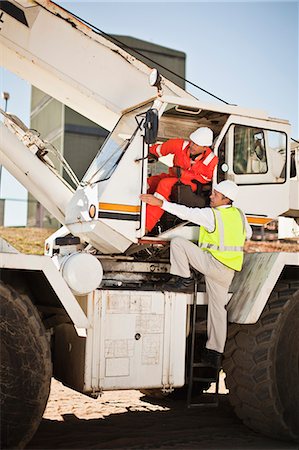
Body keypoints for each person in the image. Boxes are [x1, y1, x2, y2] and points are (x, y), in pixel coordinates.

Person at [140, 180, 252, 369]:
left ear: (225, 199)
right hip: (228, 270)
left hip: (212, 264)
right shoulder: (240, 215)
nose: (211, 196)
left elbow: (186, 212)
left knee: (178, 243)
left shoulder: (212, 215)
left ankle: (183, 278)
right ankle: (214, 352)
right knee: (218, 311)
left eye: (215, 195)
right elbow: (247, 234)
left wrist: (161, 203)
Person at [146, 127, 218, 233]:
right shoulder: (180, 145)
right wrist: (148, 153)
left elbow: (205, 179)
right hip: (174, 176)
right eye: (192, 142)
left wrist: (182, 173)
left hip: (194, 185)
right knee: (150, 182)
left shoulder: (212, 160)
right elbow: (160, 149)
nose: (192, 146)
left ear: (205, 147)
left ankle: (146, 226)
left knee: (164, 184)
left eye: (196, 144)